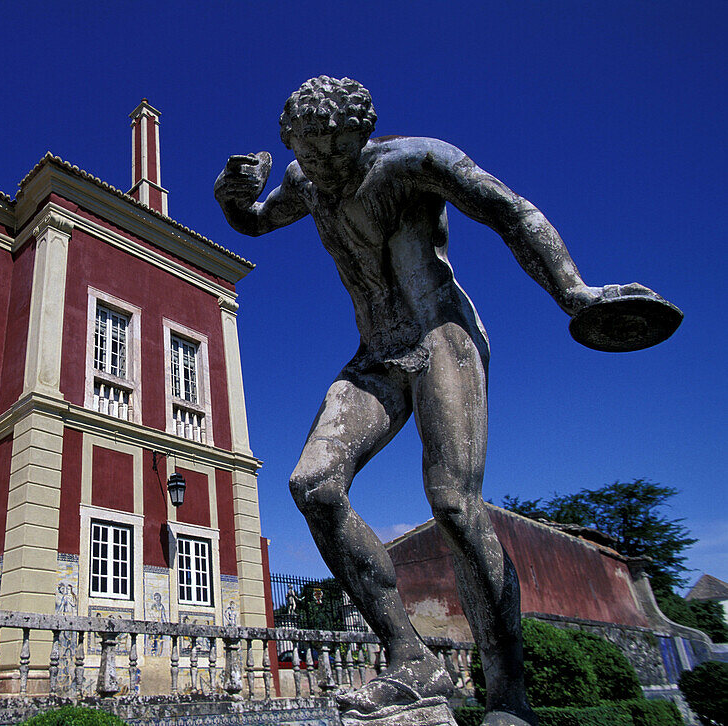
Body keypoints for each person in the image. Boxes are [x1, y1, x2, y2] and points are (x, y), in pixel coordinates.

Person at [215, 76, 667, 726]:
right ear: (295, 145)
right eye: (310, 156)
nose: (324, 169)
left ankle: (509, 696)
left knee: (453, 504)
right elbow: (255, 223)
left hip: (441, 339)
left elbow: (510, 212)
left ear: (360, 138)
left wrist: (576, 293)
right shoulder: (305, 180)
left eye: (335, 154)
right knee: (313, 486)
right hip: (376, 356)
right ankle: (410, 658)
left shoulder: (415, 161)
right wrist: (230, 197)